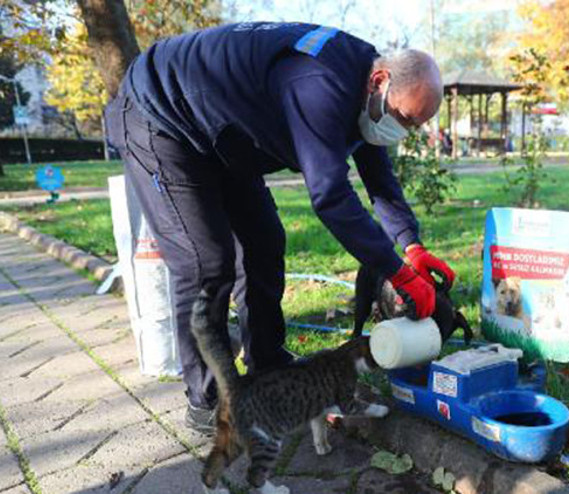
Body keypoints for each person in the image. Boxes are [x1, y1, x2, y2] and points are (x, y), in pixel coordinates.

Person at [104, 22, 455, 434]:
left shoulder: (371, 95)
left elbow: (379, 178)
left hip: (223, 134)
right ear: (380, 81)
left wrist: (411, 246)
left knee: (264, 242)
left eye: (412, 126)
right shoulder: (318, 84)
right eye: (404, 119)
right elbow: (330, 197)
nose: (403, 131)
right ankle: (207, 400)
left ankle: (268, 366)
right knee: (206, 263)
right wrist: (397, 273)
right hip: (160, 117)